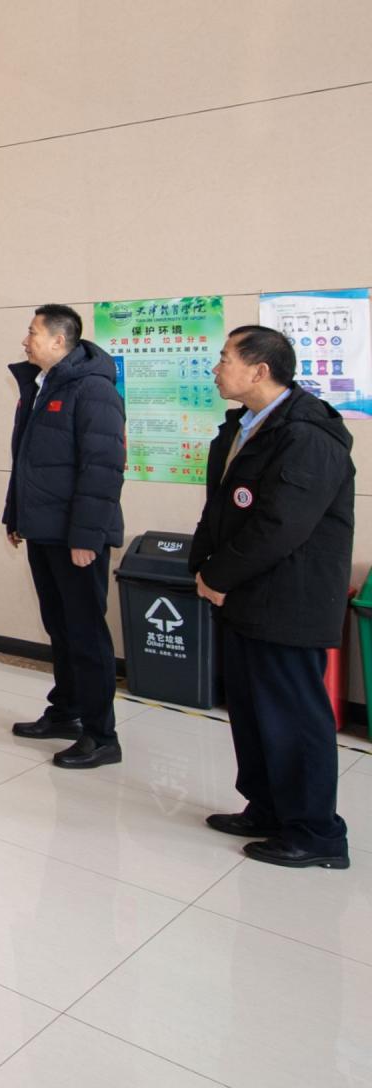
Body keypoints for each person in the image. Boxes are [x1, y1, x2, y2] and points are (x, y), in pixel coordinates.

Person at [192, 325, 353, 870]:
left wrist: (218, 575)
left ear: (260, 370)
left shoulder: (308, 435)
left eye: (225, 358)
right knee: (253, 711)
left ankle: (315, 832)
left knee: (294, 716)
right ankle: (267, 808)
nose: (216, 369)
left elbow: (281, 525)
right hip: (247, 595)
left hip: (289, 600)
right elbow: (223, 508)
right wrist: (204, 566)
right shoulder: (245, 426)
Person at [4, 305, 126, 770]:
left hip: (77, 536)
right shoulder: (42, 385)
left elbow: (103, 468)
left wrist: (86, 537)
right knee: (60, 627)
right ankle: (66, 711)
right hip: (45, 530)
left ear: (59, 340)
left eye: (32, 332)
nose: (25, 340)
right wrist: (16, 516)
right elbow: (28, 462)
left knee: (86, 634)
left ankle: (101, 735)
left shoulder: (93, 389)